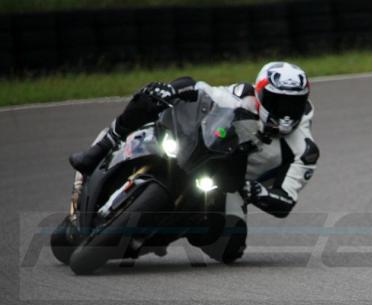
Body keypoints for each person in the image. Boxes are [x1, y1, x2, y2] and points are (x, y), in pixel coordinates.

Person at [67, 61, 319, 262]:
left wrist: (257, 191)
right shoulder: (241, 97)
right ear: (261, 93)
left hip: (234, 185)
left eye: (293, 105)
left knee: (229, 248)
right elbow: (200, 89)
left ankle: (164, 232)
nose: (285, 113)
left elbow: (286, 201)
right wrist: (172, 89)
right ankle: (100, 149)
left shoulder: (304, 149)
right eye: (278, 102)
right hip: (199, 150)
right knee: (150, 100)